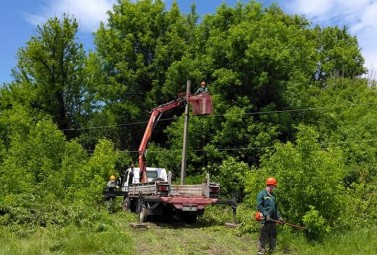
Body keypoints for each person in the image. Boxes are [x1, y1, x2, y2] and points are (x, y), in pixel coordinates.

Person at [256, 177, 284, 255]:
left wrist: (279, 218)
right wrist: (266, 214)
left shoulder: (273, 196)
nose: (274, 188)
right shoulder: (262, 194)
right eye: (274, 186)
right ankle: (260, 252)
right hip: (265, 220)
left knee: (273, 236)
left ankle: (272, 251)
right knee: (263, 237)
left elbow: (275, 209)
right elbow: (259, 206)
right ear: (271, 185)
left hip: (273, 221)